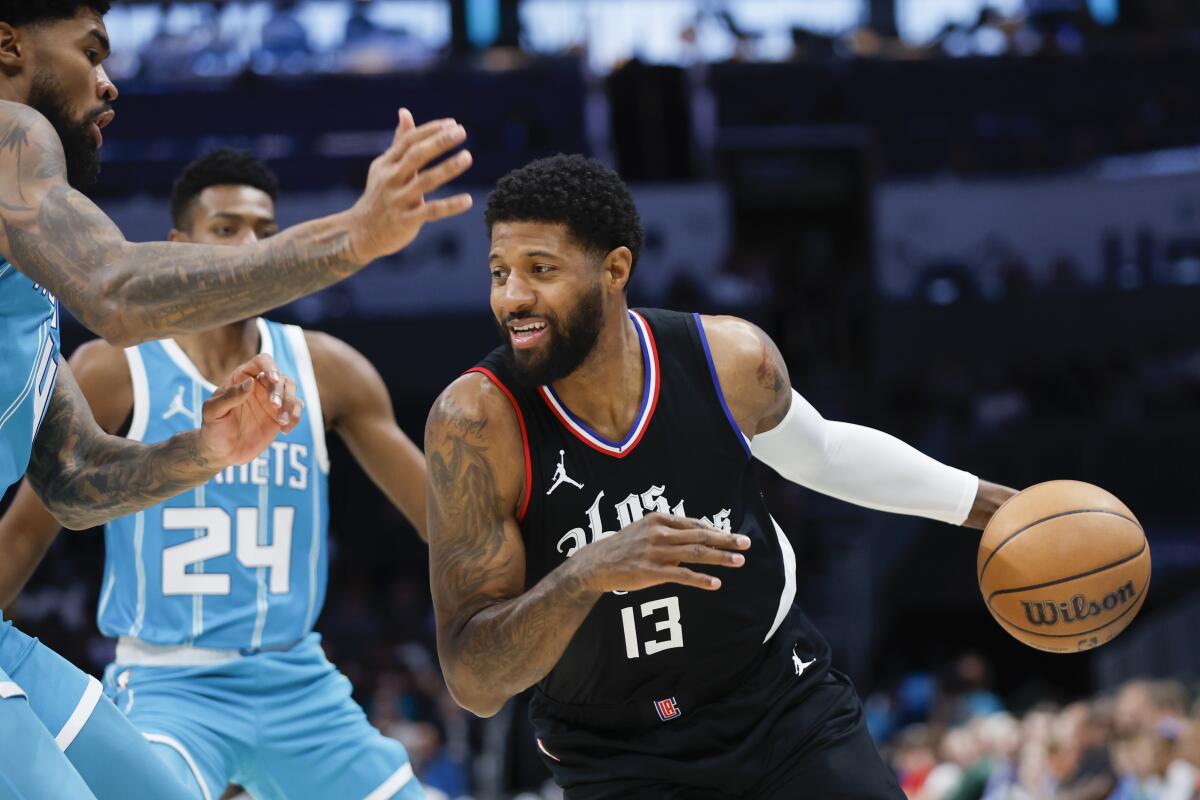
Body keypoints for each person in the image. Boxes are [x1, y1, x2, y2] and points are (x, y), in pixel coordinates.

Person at [424, 154, 1019, 799]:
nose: (512, 297)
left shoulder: (726, 358)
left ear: (615, 269)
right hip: (616, 752)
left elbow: (823, 454)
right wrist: (588, 572)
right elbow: (474, 683)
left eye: (540, 270)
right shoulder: (476, 423)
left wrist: (996, 508)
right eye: (499, 273)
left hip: (779, 705)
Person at [0, 2, 465, 796]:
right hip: (171, 677)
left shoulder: (26, 278)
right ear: (7, 45)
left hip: (293, 684)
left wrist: (207, 450)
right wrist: (350, 235)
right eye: (91, 51)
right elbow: (115, 290)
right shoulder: (11, 134)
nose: (109, 83)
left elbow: (75, 479)